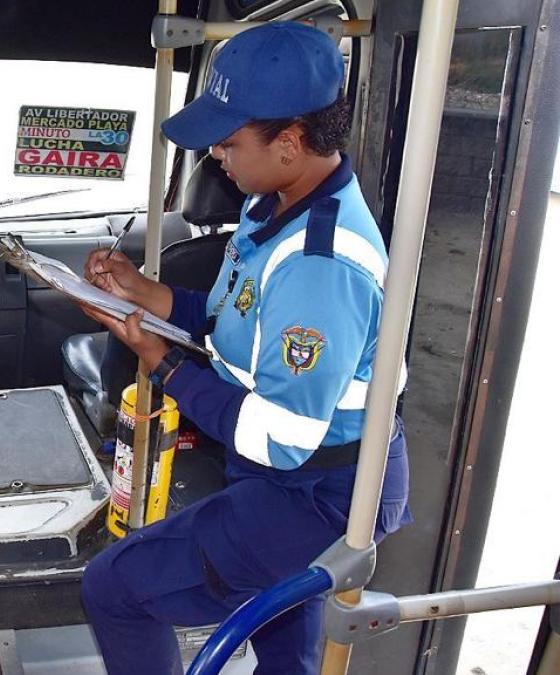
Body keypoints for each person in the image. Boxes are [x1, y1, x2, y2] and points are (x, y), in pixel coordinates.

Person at [78, 22, 411, 675]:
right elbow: (235, 321)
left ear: (289, 142)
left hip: (315, 490)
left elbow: (278, 435)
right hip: (289, 471)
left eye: (228, 144)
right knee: (287, 648)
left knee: (115, 586)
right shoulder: (274, 203)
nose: (217, 159)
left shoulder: (322, 265)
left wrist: (162, 362)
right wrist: (144, 292)